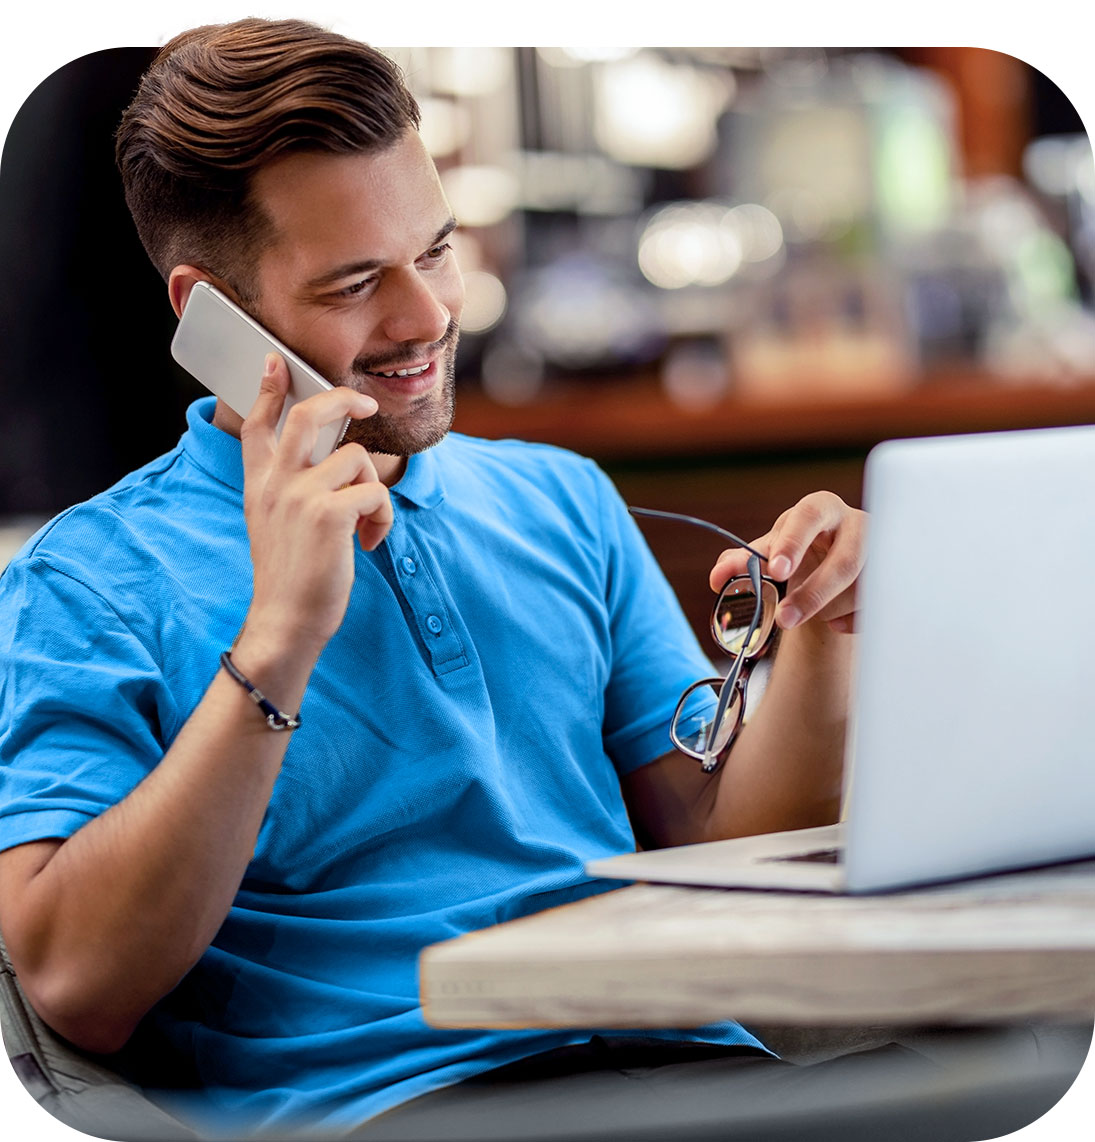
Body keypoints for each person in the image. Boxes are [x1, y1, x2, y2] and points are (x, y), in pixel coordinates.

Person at [0, 17, 914, 1141]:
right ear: (210, 317)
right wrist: (281, 633)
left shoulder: (561, 498)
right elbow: (74, 983)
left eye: (435, 250)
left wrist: (828, 632)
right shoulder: (88, 581)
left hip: (685, 1065)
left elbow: (719, 854)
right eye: (354, 284)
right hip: (405, 1103)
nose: (428, 317)